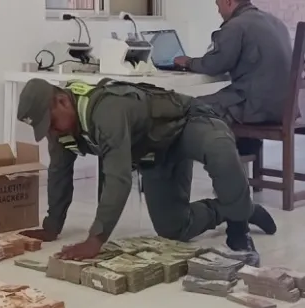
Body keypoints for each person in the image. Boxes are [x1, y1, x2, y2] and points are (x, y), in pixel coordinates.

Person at [17, 78, 277, 262]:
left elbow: (118, 178)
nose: (52, 132)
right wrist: (51, 226)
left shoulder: (106, 110)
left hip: (187, 123)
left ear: (62, 101)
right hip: (156, 151)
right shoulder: (60, 131)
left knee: (219, 148)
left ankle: (239, 229)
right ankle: (239, 208)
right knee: (174, 229)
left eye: (51, 123)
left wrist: (95, 239)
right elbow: (59, 174)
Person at [174, 0, 292, 156]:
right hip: (283, 108)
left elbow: (214, 65)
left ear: (228, 2)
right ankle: (243, 147)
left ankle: (220, 156)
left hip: (256, 107)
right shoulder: (276, 22)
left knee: (189, 106)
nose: (218, 11)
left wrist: (188, 62)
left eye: (218, 5)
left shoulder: (236, 25)